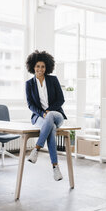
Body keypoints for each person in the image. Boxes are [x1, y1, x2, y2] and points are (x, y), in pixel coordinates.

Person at [25, 50, 67, 181]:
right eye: (38, 66)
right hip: (39, 117)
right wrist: (42, 113)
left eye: (43, 66)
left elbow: (61, 99)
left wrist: (48, 111)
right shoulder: (29, 84)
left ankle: (36, 149)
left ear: (47, 67)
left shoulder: (53, 80)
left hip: (56, 114)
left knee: (50, 118)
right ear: (33, 67)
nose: (40, 69)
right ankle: (55, 168)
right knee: (52, 129)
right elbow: (30, 105)